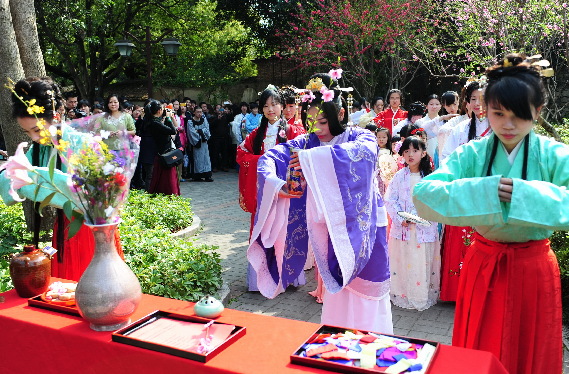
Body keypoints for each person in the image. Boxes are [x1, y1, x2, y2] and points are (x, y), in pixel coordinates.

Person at [413, 54, 566, 374]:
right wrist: (484, 191)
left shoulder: (554, 154)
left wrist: (524, 194)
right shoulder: (473, 153)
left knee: (530, 353)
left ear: (537, 112)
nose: (507, 125)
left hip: (534, 268)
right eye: (498, 114)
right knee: (479, 355)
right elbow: (424, 195)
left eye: (519, 115)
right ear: (485, 110)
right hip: (484, 265)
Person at [247, 74, 392, 332]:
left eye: (323, 121)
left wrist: (309, 161)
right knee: (338, 295)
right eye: (311, 122)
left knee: (366, 293)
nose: (317, 129)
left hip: (364, 226)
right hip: (330, 229)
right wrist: (278, 185)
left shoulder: (362, 138)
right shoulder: (308, 142)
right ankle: (335, 347)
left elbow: (361, 157)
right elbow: (270, 158)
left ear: (341, 114)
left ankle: (374, 345)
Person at [0, 77, 123, 281]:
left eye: (37, 129)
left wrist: (34, 179)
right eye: (27, 132)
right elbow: (12, 177)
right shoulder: (40, 147)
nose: (33, 137)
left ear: (56, 116)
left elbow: (99, 197)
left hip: (94, 231)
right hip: (66, 227)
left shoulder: (85, 143)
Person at [237, 85, 306, 291]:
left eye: (274, 104)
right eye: (265, 106)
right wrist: (263, 160)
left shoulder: (294, 131)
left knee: (285, 230)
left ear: (282, 106)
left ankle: (289, 276)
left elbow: (302, 155)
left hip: (285, 191)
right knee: (263, 231)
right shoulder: (256, 135)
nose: (270, 109)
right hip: (263, 192)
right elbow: (241, 155)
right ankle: (261, 280)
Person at [384, 136, 440, 311]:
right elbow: (390, 199)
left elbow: (435, 200)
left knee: (420, 261)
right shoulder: (399, 176)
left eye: (415, 151)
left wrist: (417, 216)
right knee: (402, 260)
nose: (410, 154)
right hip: (404, 228)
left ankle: (420, 294)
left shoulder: (431, 177)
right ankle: (402, 293)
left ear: (423, 153)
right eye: (407, 151)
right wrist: (403, 217)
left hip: (423, 228)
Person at [145, 100, 181, 195]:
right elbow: (173, 131)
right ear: (159, 110)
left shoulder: (154, 121)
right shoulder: (155, 123)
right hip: (164, 155)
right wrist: (169, 119)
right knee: (167, 180)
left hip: (163, 153)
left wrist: (165, 118)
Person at [187, 107, 213, 182]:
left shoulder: (204, 120)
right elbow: (191, 133)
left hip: (204, 143)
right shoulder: (190, 121)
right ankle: (198, 175)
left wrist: (199, 131)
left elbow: (207, 130)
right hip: (197, 143)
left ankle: (207, 175)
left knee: (206, 159)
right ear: (194, 112)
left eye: (201, 112)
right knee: (197, 159)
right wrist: (201, 133)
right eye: (198, 112)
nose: (199, 114)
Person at [375, 127, 397, 197]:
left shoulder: (391, 151)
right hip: (376, 176)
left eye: (384, 137)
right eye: (379, 137)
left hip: (386, 176)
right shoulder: (374, 150)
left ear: (388, 138)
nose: (381, 139)